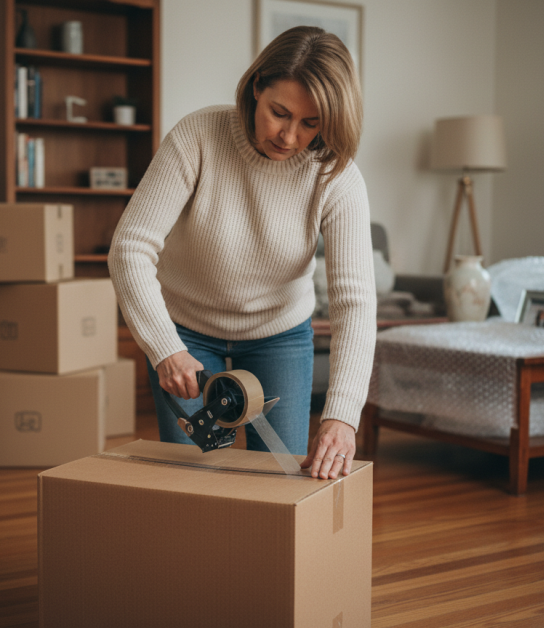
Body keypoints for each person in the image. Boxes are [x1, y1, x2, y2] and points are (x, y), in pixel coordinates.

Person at [108, 26, 376, 480]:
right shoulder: (197, 135)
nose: (289, 137)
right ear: (257, 86)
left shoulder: (338, 176)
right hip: (186, 331)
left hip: (280, 333)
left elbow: (356, 301)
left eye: (311, 124)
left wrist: (342, 416)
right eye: (279, 113)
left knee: (281, 476)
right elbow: (129, 248)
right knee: (194, 476)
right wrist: (165, 349)